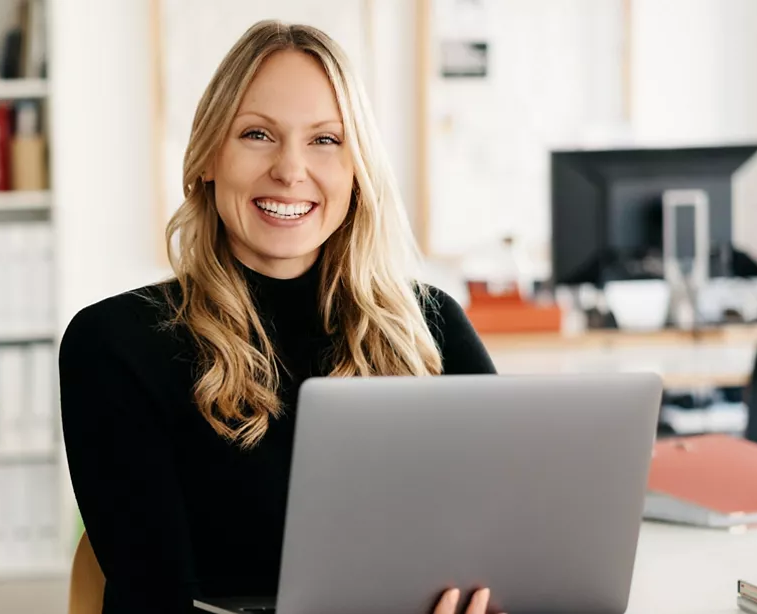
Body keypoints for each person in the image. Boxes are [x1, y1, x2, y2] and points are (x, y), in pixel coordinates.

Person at [57, 19, 501, 614]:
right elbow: (154, 601)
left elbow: (507, 546)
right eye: (258, 134)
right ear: (209, 156)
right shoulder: (114, 345)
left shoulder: (429, 326)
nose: (291, 170)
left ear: (356, 171)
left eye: (325, 140)